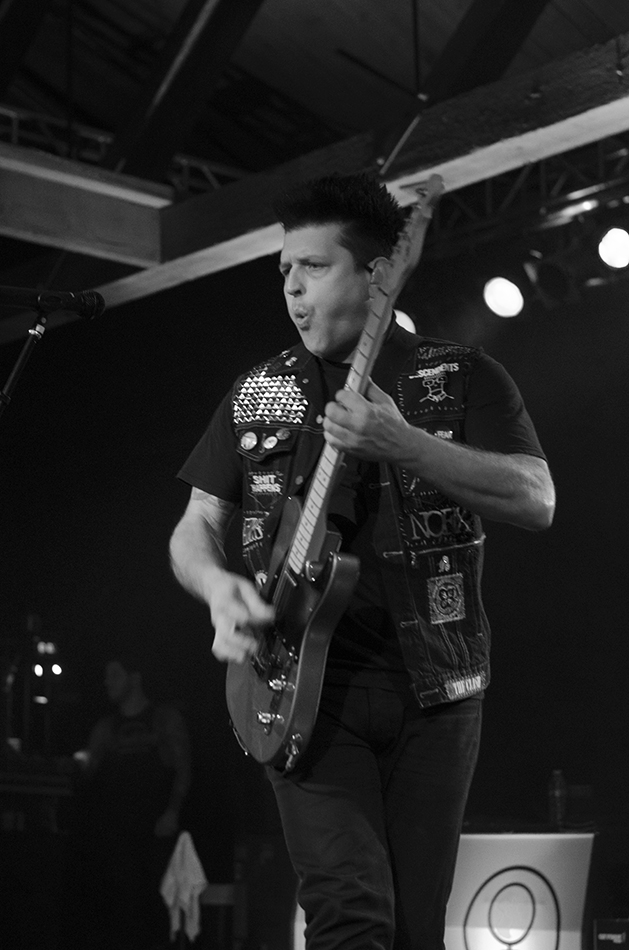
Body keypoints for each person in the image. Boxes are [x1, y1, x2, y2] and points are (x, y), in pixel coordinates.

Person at [169, 172, 555, 950]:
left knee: (412, 930)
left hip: (437, 692)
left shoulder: (462, 375)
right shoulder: (259, 391)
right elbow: (195, 525)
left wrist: (402, 442)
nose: (292, 287)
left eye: (313, 267)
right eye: (284, 270)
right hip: (301, 688)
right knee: (350, 913)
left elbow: (535, 498)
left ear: (378, 273)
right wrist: (215, 588)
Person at [70, 656, 192, 950]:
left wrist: (172, 812)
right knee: (120, 914)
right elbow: (88, 766)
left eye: (114, 675)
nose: (107, 682)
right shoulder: (107, 727)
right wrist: (75, 762)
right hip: (117, 839)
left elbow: (184, 768)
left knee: (154, 916)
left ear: (134, 678)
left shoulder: (163, 719)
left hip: (154, 836)